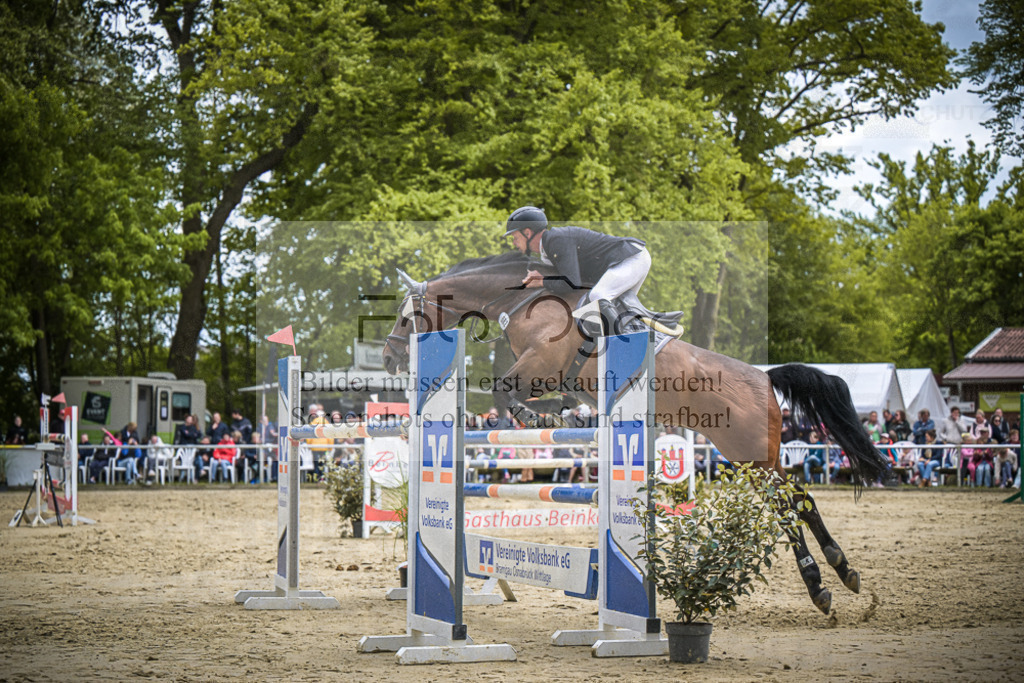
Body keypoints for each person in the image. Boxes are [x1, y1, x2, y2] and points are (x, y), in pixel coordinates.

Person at [505, 205, 671, 335]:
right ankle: (652, 333)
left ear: (527, 233)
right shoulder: (547, 252)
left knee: (598, 297)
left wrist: (542, 281)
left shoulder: (556, 240)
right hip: (627, 259)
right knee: (616, 309)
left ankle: (624, 347)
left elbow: (572, 283)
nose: (513, 243)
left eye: (515, 237)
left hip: (631, 257)